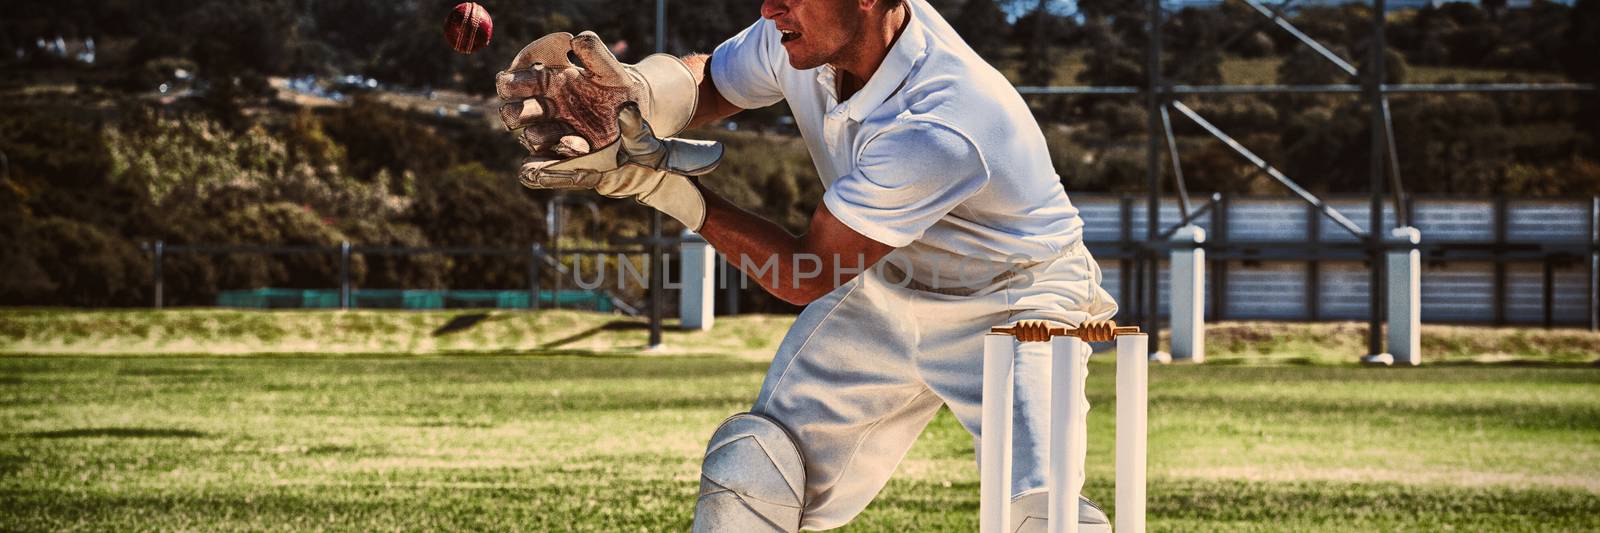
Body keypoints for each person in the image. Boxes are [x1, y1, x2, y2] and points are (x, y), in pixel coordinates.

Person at [495, 0, 1119, 530]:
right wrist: (634, 95)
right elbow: (712, 79)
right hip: (886, 279)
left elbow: (807, 274)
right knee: (753, 469)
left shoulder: (943, 122)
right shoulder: (806, 37)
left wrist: (656, 185)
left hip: (1014, 300)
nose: (769, 9)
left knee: (1041, 514)